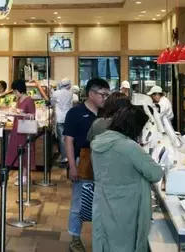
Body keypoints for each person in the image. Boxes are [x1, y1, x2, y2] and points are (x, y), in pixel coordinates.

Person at [91, 105, 163, 252]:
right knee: (124, 244)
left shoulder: (99, 141)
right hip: (126, 207)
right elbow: (156, 173)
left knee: (105, 241)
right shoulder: (128, 147)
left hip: (103, 201)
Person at [64, 77, 110, 252]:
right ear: (91, 93)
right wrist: (72, 167)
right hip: (83, 161)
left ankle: (100, 238)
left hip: (104, 162)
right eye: (102, 95)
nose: (105, 98)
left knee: (102, 201)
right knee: (79, 201)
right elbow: (69, 141)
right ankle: (75, 238)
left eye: (107, 95)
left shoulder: (106, 113)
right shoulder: (75, 113)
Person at [5, 79, 36, 185]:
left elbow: (32, 116)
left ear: (19, 89)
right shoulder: (19, 100)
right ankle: (21, 172)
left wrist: (22, 114)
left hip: (25, 129)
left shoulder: (29, 100)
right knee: (17, 151)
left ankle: (25, 175)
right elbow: (17, 111)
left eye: (15, 91)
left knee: (25, 151)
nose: (14, 93)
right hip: (17, 128)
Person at [51, 78, 73, 164]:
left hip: (60, 118)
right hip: (68, 118)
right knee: (68, 138)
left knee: (62, 139)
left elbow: (52, 103)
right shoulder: (70, 93)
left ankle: (64, 157)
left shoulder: (56, 93)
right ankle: (69, 156)